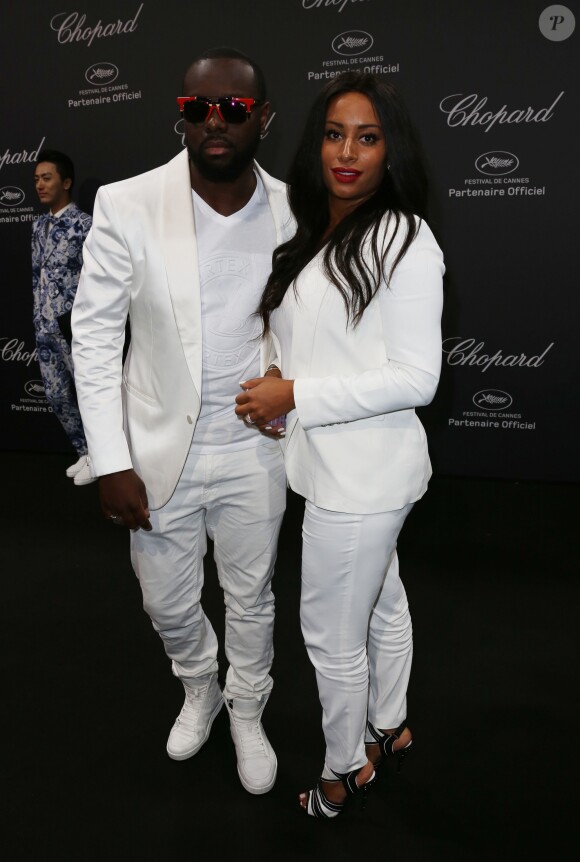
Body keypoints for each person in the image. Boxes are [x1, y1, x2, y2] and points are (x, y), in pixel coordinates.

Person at [71, 47, 293, 795]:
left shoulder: (298, 210)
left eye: (234, 109)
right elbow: (96, 338)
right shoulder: (127, 203)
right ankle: (199, 682)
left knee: (251, 596)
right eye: (199, 109)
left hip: (255, 451)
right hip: (156, 450)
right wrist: (110, 459)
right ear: (181, 115)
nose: (215, 123)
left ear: (263, 118)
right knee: (165, 600)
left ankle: (247, 707)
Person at [234, 72, 445, 817]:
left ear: (392, 152)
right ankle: (391, 725)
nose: (347, 151)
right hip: (331, 464)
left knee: (329, 636)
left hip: (364, 479)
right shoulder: (310, 225)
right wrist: (279, 386)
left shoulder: (405, 238)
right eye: (333, 134)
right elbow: (319, 345)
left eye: (367, 136)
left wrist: (297, 396)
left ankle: (344, 768)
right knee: (382, 603)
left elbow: (418, 378)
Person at [31, 149, 94, 485]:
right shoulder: (38, 225)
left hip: (73, 326)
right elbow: (35, 273)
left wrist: (78, 319)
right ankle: (84, 452)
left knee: (88, 392)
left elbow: (96, 278)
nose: (40, 185)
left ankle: (101, 456)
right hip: (43, 326)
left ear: (66, 182)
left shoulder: (84, 225)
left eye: (47, 178)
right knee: (57, 396)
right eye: (37, 179)